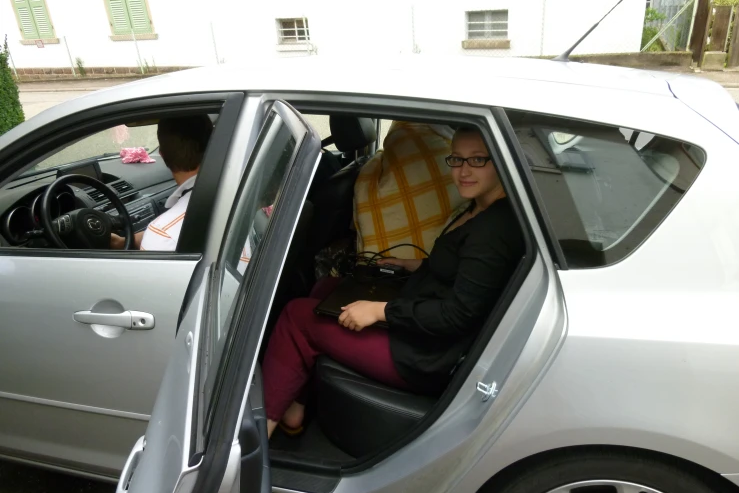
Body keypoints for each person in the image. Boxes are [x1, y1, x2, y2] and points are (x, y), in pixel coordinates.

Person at [261, 125, 524, 438]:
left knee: (296, 316)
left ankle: (251, 441)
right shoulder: (481, 207)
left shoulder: (492, 232)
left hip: (424, 356)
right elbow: (467, 272)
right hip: (423, 327)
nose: (464, 171)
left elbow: (457, 314)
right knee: (325, 290)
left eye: (478, 160)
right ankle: (293, 411)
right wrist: (415, 265)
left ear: (502, 162)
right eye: (457, 159)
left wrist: (379, 311)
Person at [111, 114, 212, 251]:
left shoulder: (162, 236)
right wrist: (124, 241)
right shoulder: (238, 185)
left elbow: (165, 236)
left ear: (162, 154)